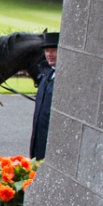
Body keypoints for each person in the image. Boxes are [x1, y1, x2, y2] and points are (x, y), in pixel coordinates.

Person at [30, 30, 59, 160]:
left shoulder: (64, 78)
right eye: (47, 51)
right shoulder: (45, 74)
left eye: (53, 50)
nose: (49, 54)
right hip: (38, 138)